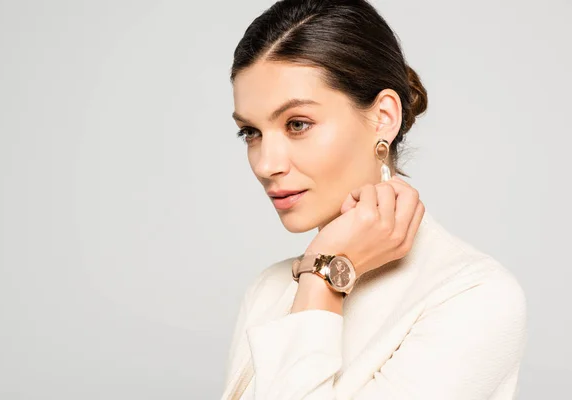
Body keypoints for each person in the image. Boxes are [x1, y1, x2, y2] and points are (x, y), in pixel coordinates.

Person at [221, 0, 527, 399]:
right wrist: (322, 269)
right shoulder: (271, 289)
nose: (266, 164)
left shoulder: (474, 297)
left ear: (383, 117)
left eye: (297, 124)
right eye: (251, 132)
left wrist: (323, 278)